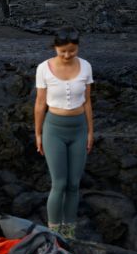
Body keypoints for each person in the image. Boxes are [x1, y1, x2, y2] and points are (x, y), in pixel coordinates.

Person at [33, 28, 94, 240]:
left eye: (72, 51)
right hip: (54, 129)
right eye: (63, 51)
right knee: (59, 183)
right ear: (55, 48)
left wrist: (90, 132)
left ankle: (69, 233)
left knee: (73, 184)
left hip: (78, 129)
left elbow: (87, 102)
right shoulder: (44, 68)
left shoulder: (86, 66)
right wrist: (38, 133)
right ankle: (53, 233)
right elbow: (40, 104)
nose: (67, 55)